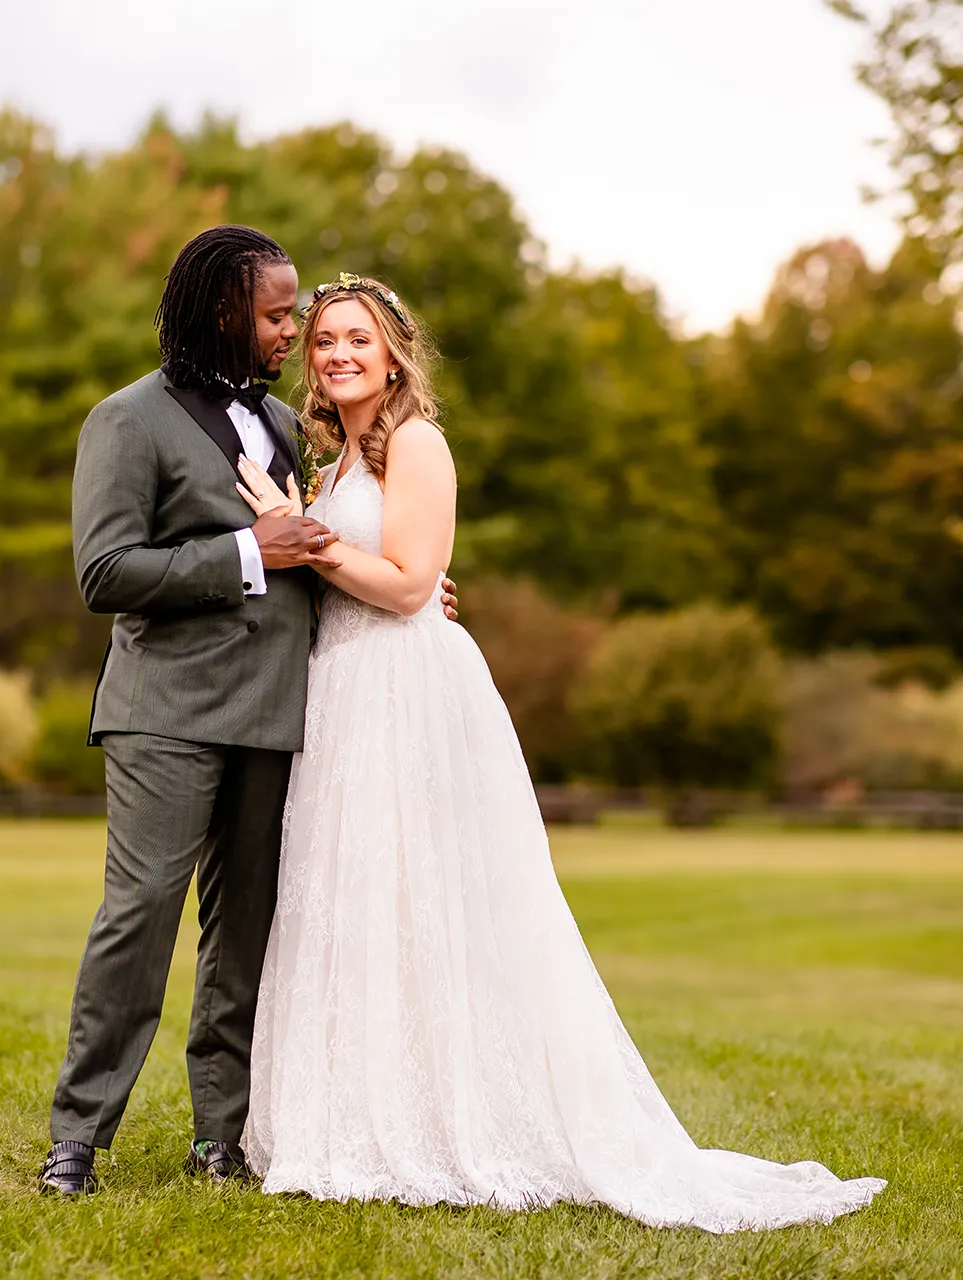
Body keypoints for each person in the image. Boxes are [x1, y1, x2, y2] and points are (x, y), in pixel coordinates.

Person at [233, 274, 885, 1231]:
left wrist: (306, 540)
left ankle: (462, 1116)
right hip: (342, 695)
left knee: (434, 900)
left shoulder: (417, 443)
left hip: (409, 695)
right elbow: (371, 576)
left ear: (395, 352)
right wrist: (305, 534)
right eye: (324, 339)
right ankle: (363, 1113)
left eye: (357, 340)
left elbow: (413, 587)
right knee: (361, 899)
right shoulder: (329, 462)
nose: (335, 354)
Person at [43, 229, 455, 1195]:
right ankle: (78, 1137)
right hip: (166, 713)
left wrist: (409, 591)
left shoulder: (282, 426)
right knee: (139, 917)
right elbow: (105, 573)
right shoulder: (126, 422)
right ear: (223, 311)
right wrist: (245, 554)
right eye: (277, 315)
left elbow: (324, 550)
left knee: (248, 931)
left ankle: (219, 1138)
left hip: (279, 715)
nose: (292, 331)